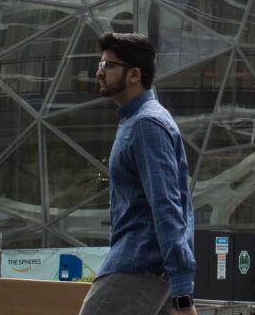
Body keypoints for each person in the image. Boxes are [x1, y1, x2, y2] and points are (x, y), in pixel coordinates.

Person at [78, 33, 197, 315]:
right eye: (101, 63)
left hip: (139, 266)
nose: (99, 72)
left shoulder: (146, 125)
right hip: (150, 270)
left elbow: (167, 206)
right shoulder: (137, 121)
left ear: (134, 74)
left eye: (108, 65)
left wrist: (182, 293)